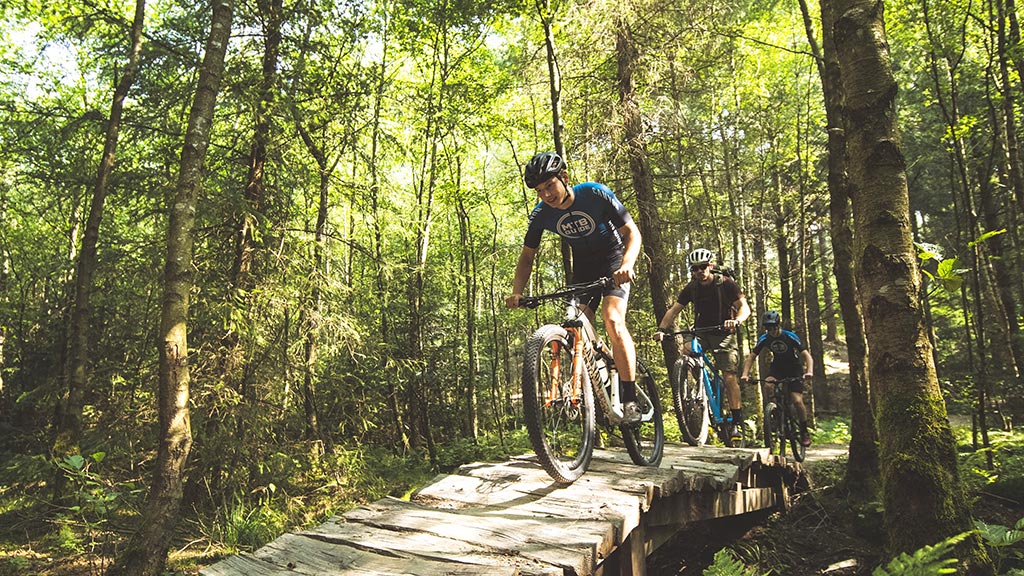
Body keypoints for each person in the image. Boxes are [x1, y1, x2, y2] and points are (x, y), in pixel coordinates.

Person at [506, 152, 644, 423]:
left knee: (613, 320)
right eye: (539, 190)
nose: (546, 194)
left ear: (564, 178)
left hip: (613, 260)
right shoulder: (541, 215)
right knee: (572, 324)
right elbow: (526, 257)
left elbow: (632, 232)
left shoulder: (594, 193)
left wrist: (626, 264)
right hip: (582, 269)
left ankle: (629, 400)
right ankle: (597, 378)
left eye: (550, 186)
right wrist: (517, 291)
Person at [653, 248, 751, 443]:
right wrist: (662, 330)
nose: (699, 271)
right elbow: (674, 310)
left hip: (724, 333)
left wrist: (737, 320)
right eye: (695, 268)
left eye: (703, 267)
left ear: (710, 266)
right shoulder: (692, 288)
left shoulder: (726, 284)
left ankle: (736, 420)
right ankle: (699, 387)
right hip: (701, 332)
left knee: (729, 376)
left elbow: (744, 307)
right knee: (687, 351)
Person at [740, 310, 814, 447]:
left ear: (778, 325)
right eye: (768, 328)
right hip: (778, 367)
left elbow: (806, 355)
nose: (771, 331)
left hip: (794, 368)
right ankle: (775, 412)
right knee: (768, 385)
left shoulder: (790, 336)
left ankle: (804, 431)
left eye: (773, 327)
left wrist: (809, 371)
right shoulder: (765, 338)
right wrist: (745, 374)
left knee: (797, 400)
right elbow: (752, 356)